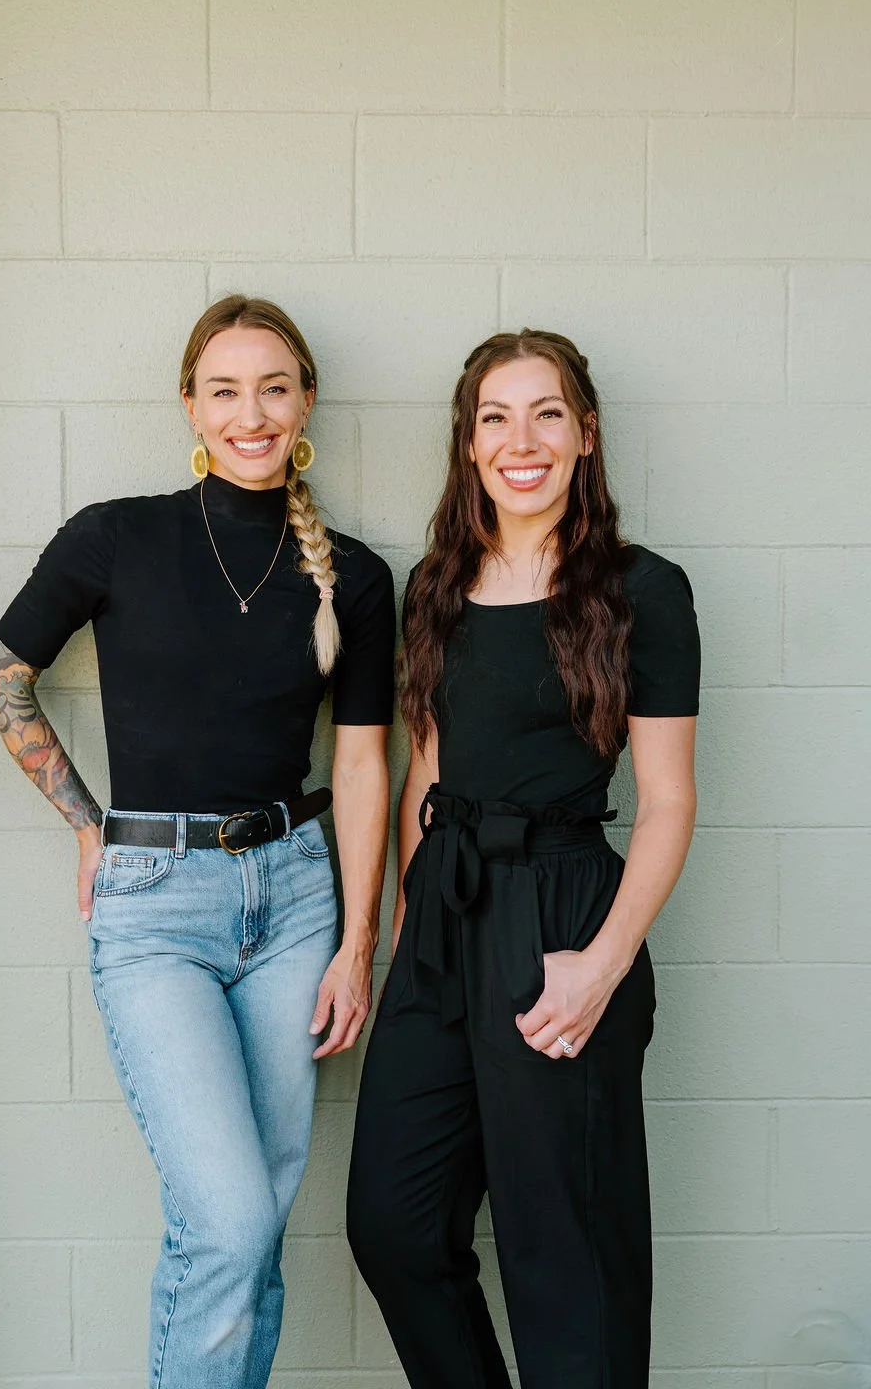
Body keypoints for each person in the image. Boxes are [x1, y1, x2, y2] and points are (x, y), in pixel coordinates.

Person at [0, 295, 395, 1389]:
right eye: (224, 390)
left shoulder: (353, 576)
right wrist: (85, 822)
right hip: (155, 906)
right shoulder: (117, 536)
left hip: (298, 901)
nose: (249, 413)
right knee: (229, 1223)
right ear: (190, 407)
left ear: (305, 401)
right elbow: (0, 679)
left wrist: (358, 944)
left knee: (252, 1233)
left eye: (272, 387)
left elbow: (360, 766)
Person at [347, 329, 700, 1388]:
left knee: (565, 1258)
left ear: (585, 435)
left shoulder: (645, 590)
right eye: (493, 418)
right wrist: (409, 948)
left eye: (546, 413)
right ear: (467, 447)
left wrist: (599, 964)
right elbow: (425, 778)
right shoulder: (434, 587)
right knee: (395, 1226)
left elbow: (669, 802)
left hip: (563, 918)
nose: (521, 440)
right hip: (443, 919)